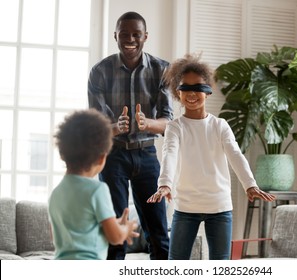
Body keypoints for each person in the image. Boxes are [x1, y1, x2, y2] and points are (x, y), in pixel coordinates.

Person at [147, 53, 276, 260]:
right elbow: (169, 153)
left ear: (207, 91)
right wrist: (165, 184)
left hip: (219, 205)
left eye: (197, 87)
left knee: (220, 265)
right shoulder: (175, 127)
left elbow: (235, 153)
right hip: (186, 205)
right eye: (185, 88)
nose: (191, 94)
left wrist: (250, 184)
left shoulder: (220, 125)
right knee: (175, 263)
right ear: (177, 93)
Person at [88, 11, 172, 260]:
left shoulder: (162, 70)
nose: (130, 39)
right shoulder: (100, 71)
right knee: (115, 235)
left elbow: (168, 123)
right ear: (115, 36)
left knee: (158, 234)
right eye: (124, 34)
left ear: (145, 36)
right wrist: (116, 127)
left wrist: (147, 124)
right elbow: (96, 127)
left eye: (136, 34)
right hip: (112, 157)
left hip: (147, 156)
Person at [48, 109, 139, 260]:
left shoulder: (56, 193)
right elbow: (115, 237)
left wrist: (113, 222)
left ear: (63, 154)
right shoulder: (97, 190)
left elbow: (61, 234)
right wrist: (125, 229)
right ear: (102, 158)